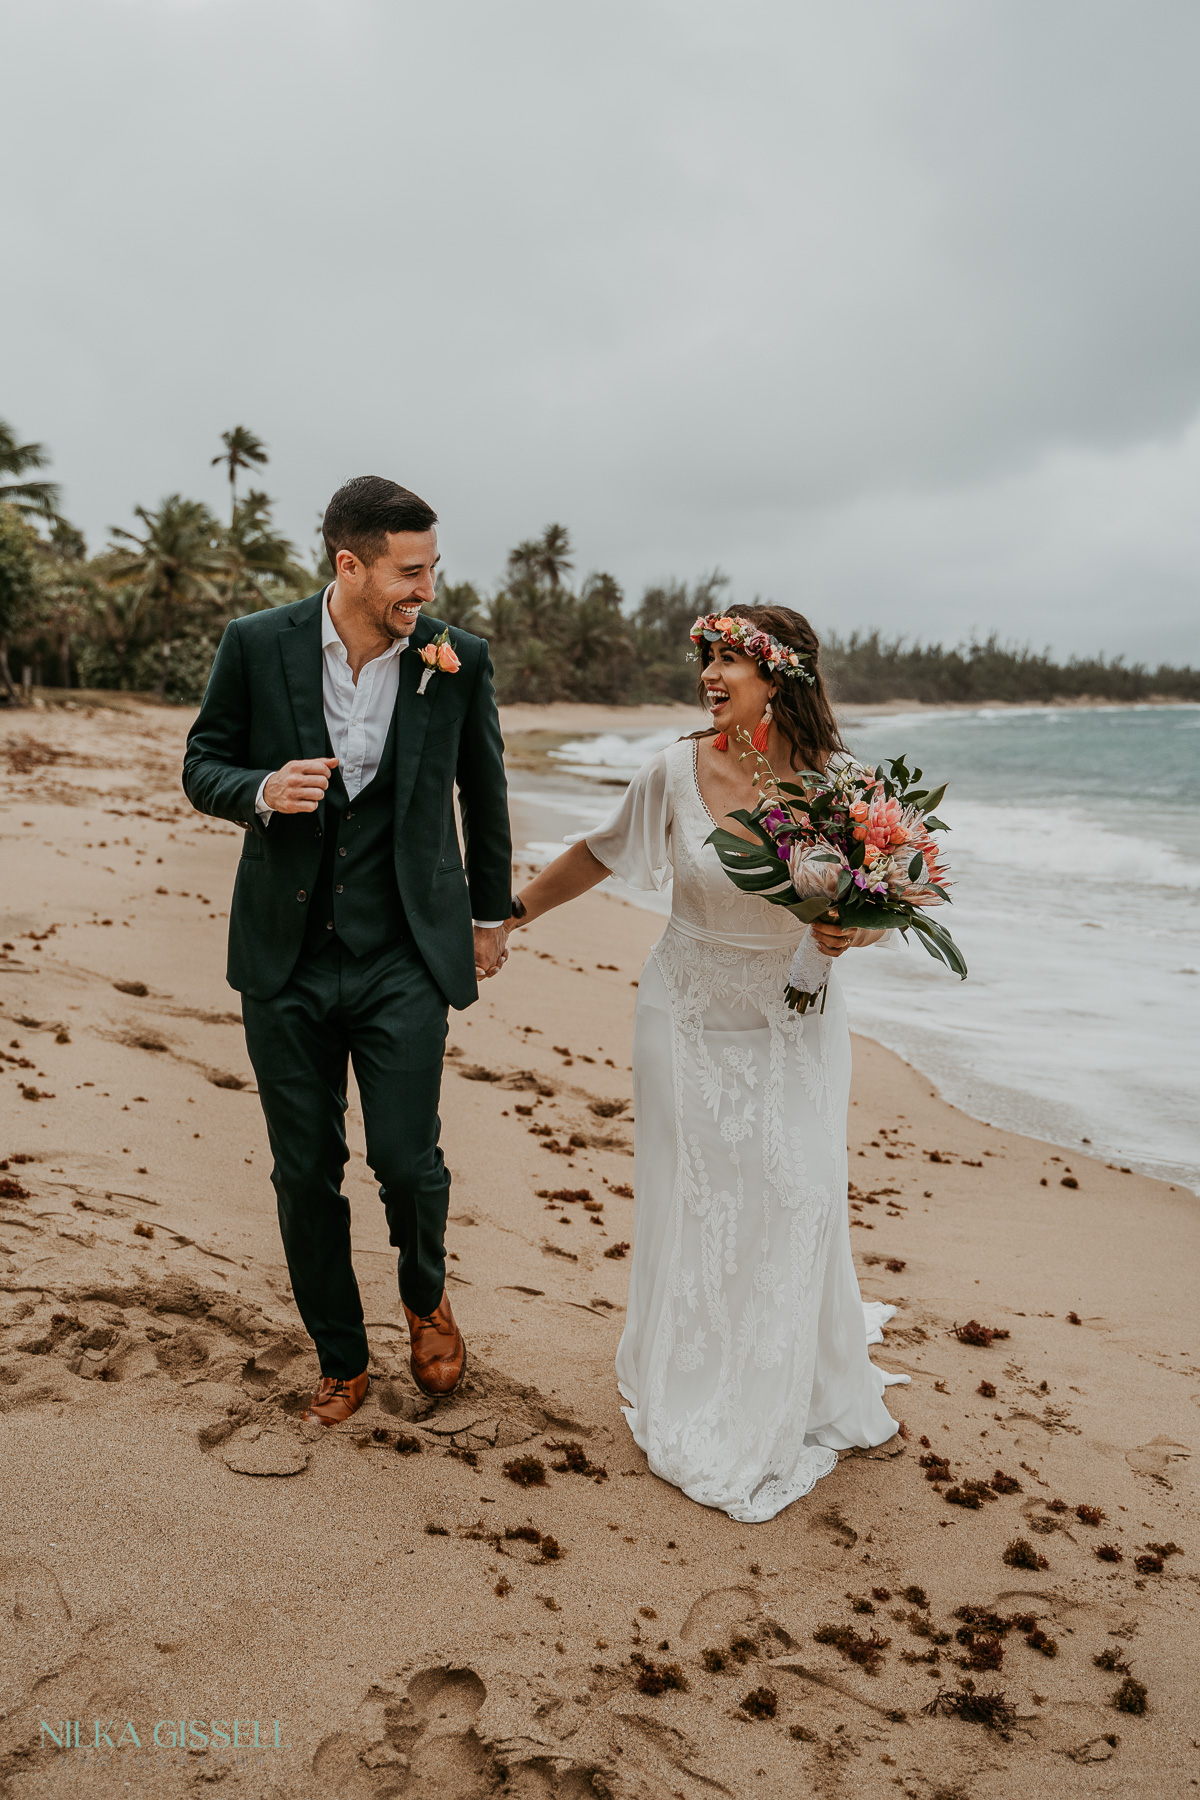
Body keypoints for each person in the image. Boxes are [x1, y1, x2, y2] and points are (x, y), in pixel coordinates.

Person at [504, 605, 906, 1522]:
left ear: (785, 675)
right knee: (698, 1193)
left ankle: (787, 1372)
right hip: (684, 1008)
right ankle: (690, 1367)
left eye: (733, 660)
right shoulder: (674, 771)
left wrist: (852, 932)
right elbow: (598, 855)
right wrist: (510, 919)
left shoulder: (848, 788)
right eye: (708, 659)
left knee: (796, 1187)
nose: (711, 676)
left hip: (795, 1014)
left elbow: (879, 900)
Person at [182, 476, 512, 1426]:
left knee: (408, 1162)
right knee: (303, 1169)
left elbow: (482, 796)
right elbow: (202, 761)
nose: (425, 587)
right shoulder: (256, 643)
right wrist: (258, 788)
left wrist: (490, 920)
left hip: (405, 950)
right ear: (350, 565)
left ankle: (424, 1294)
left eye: (432, 568)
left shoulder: (458, 659)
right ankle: (338, 1351)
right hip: (284, 955)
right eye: (410, 572)